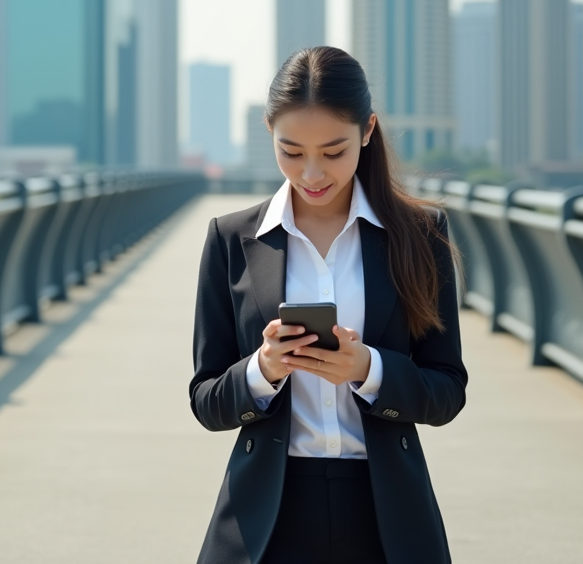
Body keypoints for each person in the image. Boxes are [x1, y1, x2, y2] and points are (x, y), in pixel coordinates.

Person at [189, 46, 468, 564]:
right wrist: (261, 370)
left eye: (333, 151)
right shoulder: (231, 240)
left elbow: (447, 390)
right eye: (291, 151)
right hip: (266, 516)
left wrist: (370, 369)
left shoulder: (421, 236)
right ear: (268, 131)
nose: (312, 172)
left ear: (367, 131)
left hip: (384, 514)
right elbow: (206, 400)